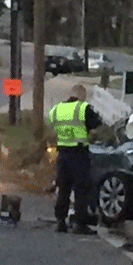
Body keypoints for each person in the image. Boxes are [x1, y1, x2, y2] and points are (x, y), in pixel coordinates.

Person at [48, 83, 102, 234]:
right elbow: (96, 127)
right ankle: (80, 223)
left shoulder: (57, 109)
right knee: (81, 189)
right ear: (82, 95)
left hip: (62, 154)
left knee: (63, 188)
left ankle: (60, 221)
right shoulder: (83, 108)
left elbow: (52, 128)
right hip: (78, 154)